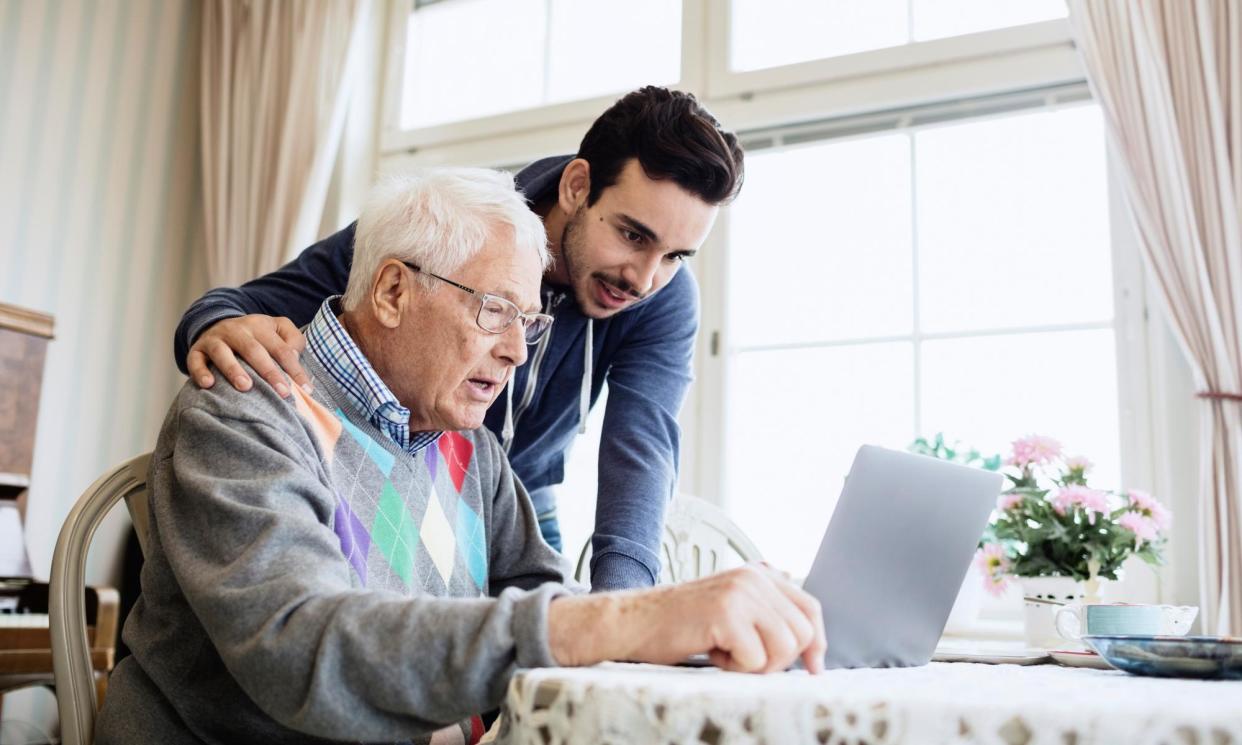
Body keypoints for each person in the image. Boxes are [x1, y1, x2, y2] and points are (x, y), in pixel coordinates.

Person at [99, 168, 824, 745]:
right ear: (390, 290)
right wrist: (622, 622)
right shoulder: (245, 409)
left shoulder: (466, 444)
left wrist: (675, 632)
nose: (516, 351)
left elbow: (546, 588)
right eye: (494, 310)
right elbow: (305, 648)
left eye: (529, 320)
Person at [173, 86, 744, 591]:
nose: (644, 278)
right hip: (402, 477)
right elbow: (248, 305)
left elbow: (642, 448)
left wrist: (622, 610)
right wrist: (216, 326)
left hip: (516, 502)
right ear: (577, 187)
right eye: (631, 234)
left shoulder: (662, 297)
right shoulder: (457, 231)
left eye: (674, 256)